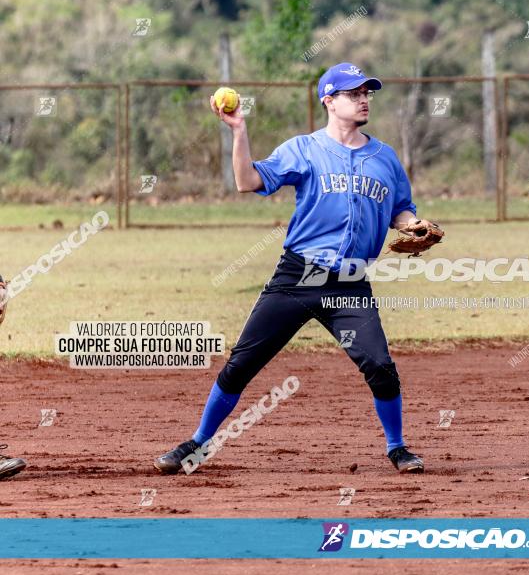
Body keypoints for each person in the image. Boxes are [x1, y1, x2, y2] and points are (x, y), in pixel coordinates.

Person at [155, 62, 430, 475]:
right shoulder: (303, 149)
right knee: (242, 364)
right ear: (329, 101)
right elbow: (248, 181)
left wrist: (414, 225)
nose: (363, 99)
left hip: (350, 284)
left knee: (379, 365)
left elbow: (401, 210)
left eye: (367, 93)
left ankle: (397, 447)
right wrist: (238, 130)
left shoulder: (385, 158)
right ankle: (196, 442)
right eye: (353, 93)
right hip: (298, 277)